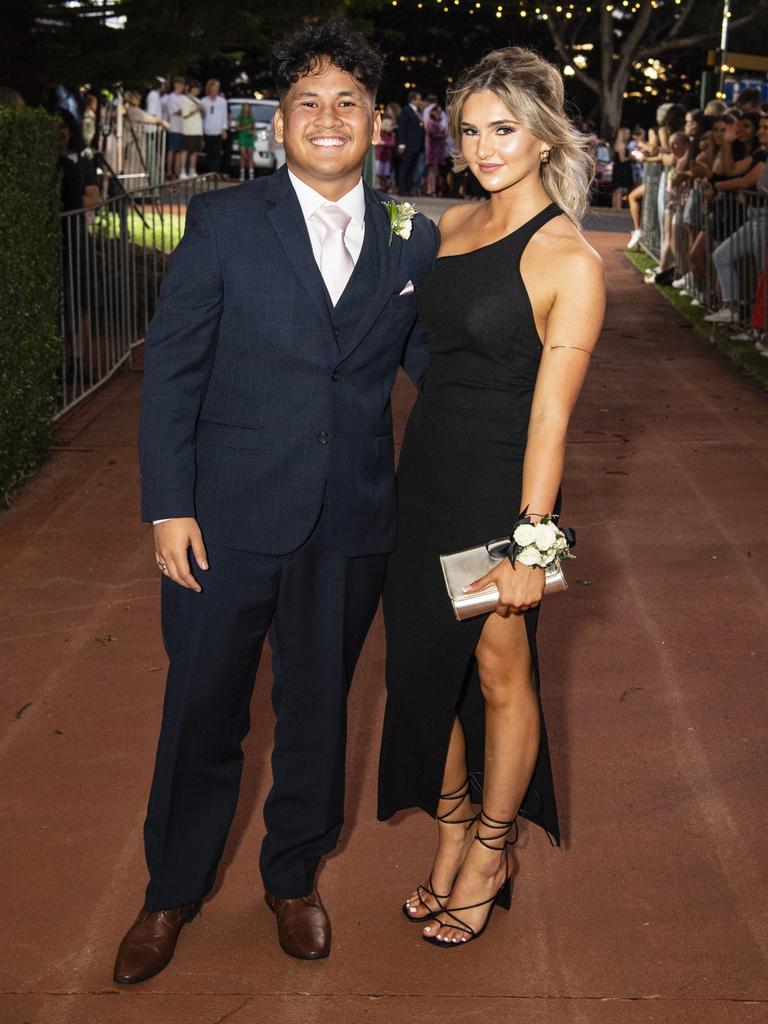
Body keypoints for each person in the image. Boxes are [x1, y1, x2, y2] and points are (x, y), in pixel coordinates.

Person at [113, 16, 439, 984]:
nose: (329, 118)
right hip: (224, 522)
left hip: (350, 526)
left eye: (348, 102)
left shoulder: (408, 241)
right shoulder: (222, 223)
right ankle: (170, 889)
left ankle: (293, 876)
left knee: (320, 716)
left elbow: (440, 374)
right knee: (202, 709)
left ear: (374, 120)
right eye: (309, 103)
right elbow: (172, 372)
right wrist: (168, 505)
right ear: (279, 121)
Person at [378, 46, 605, 948]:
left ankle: (490, 849)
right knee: (423, 674)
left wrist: (532, 547)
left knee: (500, 673)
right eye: (470, 130)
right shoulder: (455, 226)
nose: (482, 146)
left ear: (544, 136)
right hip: (424, 478)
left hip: (499, 500)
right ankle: (449, 829)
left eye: (503, 129)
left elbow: (551, 421)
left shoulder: (567, 257)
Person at [397, 90, 424, 194]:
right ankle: (402, 189)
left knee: (412, 168)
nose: (420, 101)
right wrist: (401, 144)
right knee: (405, 167)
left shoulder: (417, 112)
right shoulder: (406, 111)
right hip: (408, 145)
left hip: (416, 145)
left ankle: (408, 188)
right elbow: (402, 128)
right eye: (418, 99)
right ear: (413, 99)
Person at [202, 79, 228, 176]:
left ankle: (215, 172)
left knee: (217, 153)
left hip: (218, 131)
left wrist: (224, 129)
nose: (216, 89)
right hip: (207, 130)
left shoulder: (222, 101)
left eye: (218, 87)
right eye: (215, 87)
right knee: (209, 152)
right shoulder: (203, 101)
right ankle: (209, 172)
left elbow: (224, 116)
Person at [179, 80, 204, 179]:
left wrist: (200, 111)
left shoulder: (198, 100)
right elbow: (184, 115)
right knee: (185, 151)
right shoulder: (185, 99)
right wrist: (196, 110)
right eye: (195, 88)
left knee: (195, 152)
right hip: (188, 130)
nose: (197, 90)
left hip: (198, 129)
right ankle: (182, 171)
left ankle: (192, 171)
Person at [424, 102, 449, 196]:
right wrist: (443, 135)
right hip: (432, 150)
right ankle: (431, 189)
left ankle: (432, 189)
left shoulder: (437, 123)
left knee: (435, 170)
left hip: (438, 149)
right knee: (432, 170)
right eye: (437, 112)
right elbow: (432, 135)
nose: (439, 113)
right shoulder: (431, 122)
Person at [166, 77, 186, 178]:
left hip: (182, 128)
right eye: (179, 84)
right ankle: (169, 171)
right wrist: (185, 111)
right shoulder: (170, 97)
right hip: (174, 126)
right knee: (172, 150)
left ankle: (177, 171)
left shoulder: (184, 98)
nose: (181, 87)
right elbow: (173, 112)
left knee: (179, 150)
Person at [611, 126, 633, 209]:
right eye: (627, 133)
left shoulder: (617, 144)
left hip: (617, 168)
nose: (629, 135)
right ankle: (618, 207)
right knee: (619, 189)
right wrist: (630, 157)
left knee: (616, 189)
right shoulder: (622, 145)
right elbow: (622, 159)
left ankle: (615, 207)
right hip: (621, 169)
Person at [236, 102, 256, 181]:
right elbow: (237, 128)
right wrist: (246, 127)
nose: (246, 109)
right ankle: (242, 174)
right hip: (242, 137)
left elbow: (253, 129)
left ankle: (251, 175)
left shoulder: (252, 118)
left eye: (248, 107)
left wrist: (253, 132)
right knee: (243, 155)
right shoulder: (240, 118)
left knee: (250, 156)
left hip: (250, 138)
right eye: (245, 107)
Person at [375, 115, 396, 191]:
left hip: (387, 157)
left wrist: (384, 144)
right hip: (379, 157)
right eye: (390, 125)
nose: (392, 127)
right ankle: (379, 186)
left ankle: (384, 187)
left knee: (385, 174)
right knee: (378, 173)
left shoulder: (391, 135)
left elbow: (392, 144)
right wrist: (383, 143)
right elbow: (377, 142)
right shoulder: (380, 134)